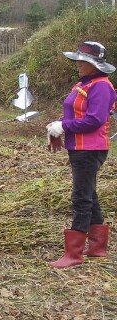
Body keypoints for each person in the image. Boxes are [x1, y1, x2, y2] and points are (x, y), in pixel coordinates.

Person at [46, 41, 116, 268]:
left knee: (81, 198)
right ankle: (97, 247)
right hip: (79, 147)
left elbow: (95, 119)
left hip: (90, 148)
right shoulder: (84, 83)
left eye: (82, 61)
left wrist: (64, 127)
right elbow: (74, 113)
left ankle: (73, 254)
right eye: (77, 60)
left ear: (95, 64)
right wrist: (58, 126)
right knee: (90, 194)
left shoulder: (101, 86)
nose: (77, 64)